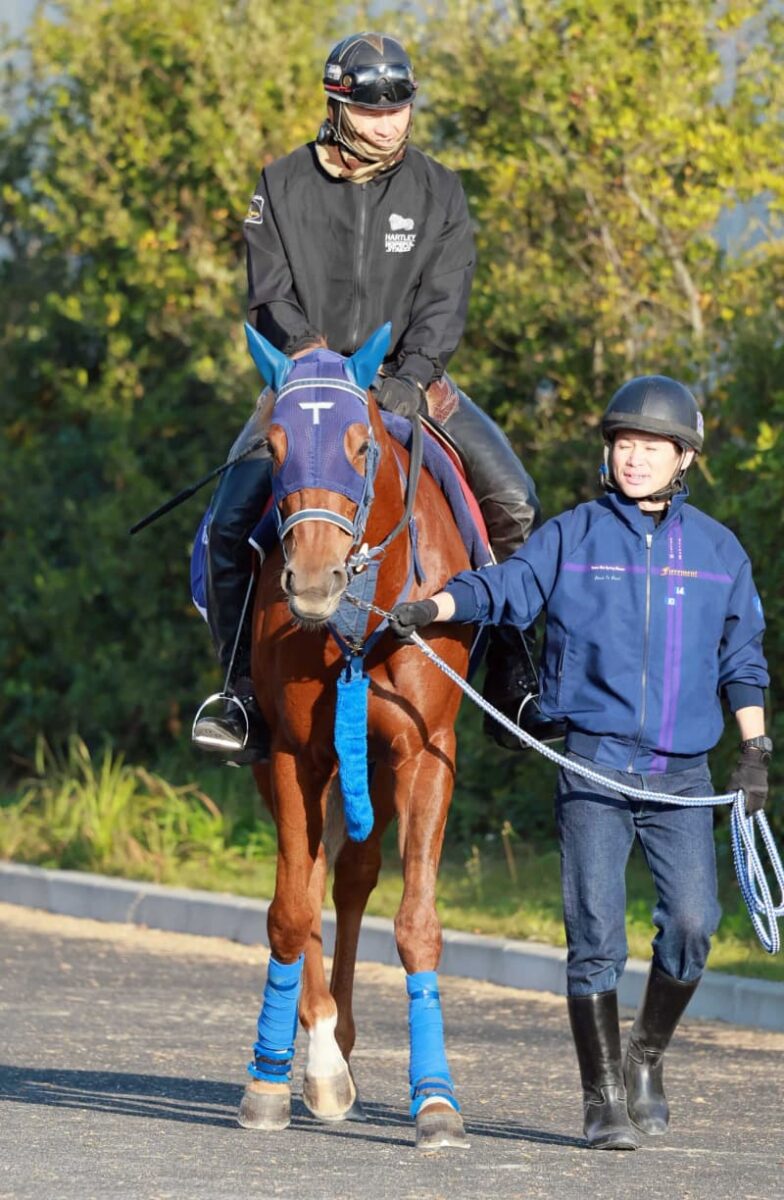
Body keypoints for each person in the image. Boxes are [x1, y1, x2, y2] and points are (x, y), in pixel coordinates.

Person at [388, 375, 771, 1150]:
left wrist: (755, 751)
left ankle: (644, 1057)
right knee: (595, 933)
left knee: (695, 924)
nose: (634, 460)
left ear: (683, 458)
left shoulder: (719, 553)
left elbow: (744, 659)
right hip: (595, 767)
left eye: (651, 448)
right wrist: (431, 609)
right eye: (624, 445)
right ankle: (600, 1100)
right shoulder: (573, 537)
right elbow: (504, 589)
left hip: (682, 776)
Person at [193, 31, 550, 761]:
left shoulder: (439, 190)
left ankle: (516, 676)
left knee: (514, 500)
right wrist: (316, 365)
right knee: (227, 527)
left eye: (400, 109)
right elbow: (269, 296)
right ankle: (239, 696)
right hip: (306, 390)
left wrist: (410, 377)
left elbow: (446, 301)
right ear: (337, 106)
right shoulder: (280, 184)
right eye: (372, 111)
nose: (389, 123)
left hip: (413, 384)